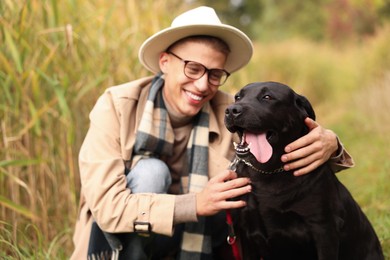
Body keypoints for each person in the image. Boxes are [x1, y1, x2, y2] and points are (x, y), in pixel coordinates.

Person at [71, 6, 354, 260]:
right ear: (165, 62)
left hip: (201, 241)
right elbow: (108, 207)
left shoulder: (232, 111)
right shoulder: (116, 106)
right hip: (128, 242)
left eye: (215, 74)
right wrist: (195, 204)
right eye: (193, 68)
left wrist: (331, 144)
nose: (203, 85)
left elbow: (284, 149)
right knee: (150, 173)